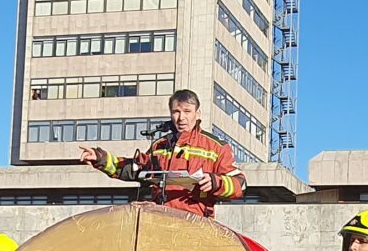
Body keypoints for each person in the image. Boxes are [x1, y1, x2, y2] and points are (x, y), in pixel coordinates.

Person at [79, 89, 245, 216]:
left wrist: (216, 182)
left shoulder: (216, 147)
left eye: (187, 111)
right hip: (160, 223)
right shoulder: (159, 145)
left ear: (197, 113)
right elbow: (134, 169)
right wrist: (100, 158)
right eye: (176, 111)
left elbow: (241, 184)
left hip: (197, 225)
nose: (181, 118)